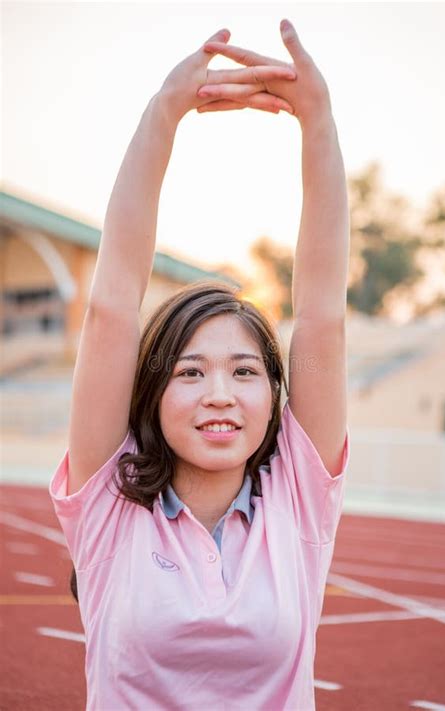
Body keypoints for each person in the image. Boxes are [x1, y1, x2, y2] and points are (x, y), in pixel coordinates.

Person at [49, 18, 350, 711]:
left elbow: (324, 318)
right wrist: (163, 114)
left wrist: (319, 122)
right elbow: (112, 310)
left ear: (274, 398)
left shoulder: (298, 501)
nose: (220, 392)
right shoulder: (108, 503)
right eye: (190, 371)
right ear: (151, 392)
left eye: (245, 371)